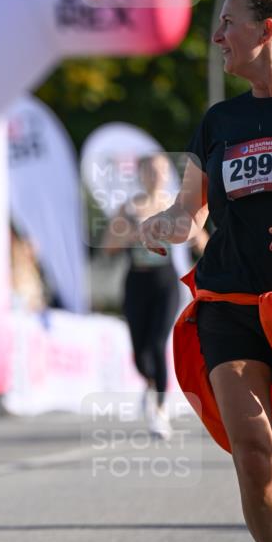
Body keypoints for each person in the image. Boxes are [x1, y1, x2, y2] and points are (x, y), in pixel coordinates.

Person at [139, 0, 272, 542]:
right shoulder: (219, 122)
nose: (218, 37)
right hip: (228, 303)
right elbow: (189, 210)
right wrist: (161, 222)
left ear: (266, 30)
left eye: (227, 24)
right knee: (254, 454)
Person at [102, 153, 189, 439]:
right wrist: (131, 234)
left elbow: (199, 238)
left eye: (161, 170)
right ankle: (150, 383)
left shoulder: (174, 207)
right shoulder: (128, 209)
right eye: (150, 170)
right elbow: (108, 248)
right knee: (140, 353)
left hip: (165, 284)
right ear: (141, 174)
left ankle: (161, 410)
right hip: (136, 282)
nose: (156, 175)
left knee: (157, 343)